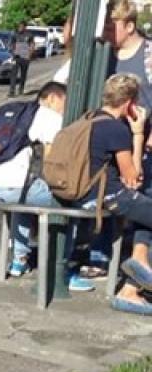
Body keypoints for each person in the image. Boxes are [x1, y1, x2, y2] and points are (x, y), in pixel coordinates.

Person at [72, 73, 152, 315]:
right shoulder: (116, 129)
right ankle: (132, 284)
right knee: (144, 202)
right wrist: (138, 133)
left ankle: (133, 283)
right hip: (108, 197)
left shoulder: (89, 119)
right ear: (129, 103)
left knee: (146, 212)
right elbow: (133, 178)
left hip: (81, 194)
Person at [0, 82, 66, 278]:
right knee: (70, 203)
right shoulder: (47, 115)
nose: (64, 111)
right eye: (64, 104)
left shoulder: (15, 111)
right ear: (53, 98)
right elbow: (52, 161)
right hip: (13, 187)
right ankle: (64, 268)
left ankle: (19, 260)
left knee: (24, 198)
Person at [9, 22, 35, 97]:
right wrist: (13, 52)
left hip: (25, 58)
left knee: (23, 75)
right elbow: (11, 44)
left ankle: (21, 89)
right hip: (16, 57)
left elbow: (32, 45)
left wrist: (30, 55)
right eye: (19, 26)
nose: (19, 28)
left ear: (25, 27)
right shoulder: (15, 35)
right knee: (13, 74)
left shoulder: (29, 35)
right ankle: (12, 91)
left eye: (21, 26)